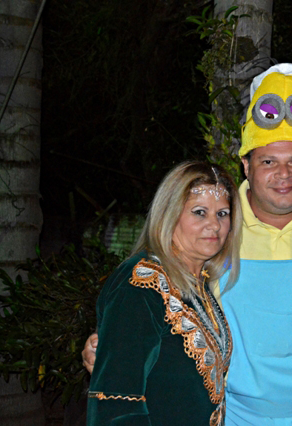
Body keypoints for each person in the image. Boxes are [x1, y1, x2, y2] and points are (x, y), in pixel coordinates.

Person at [83, 64, 292, 425]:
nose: (283, 174)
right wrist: (111, 342)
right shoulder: (213, 236)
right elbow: (140, 323)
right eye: (268, 161)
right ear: (246, 165)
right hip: (232, 416)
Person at [86, 161, 242, 426]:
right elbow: (117, 402)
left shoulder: (199, 282)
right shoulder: (140, 282)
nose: (214, 226)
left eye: (222, 214)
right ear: (170, 214)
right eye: (199, 212)